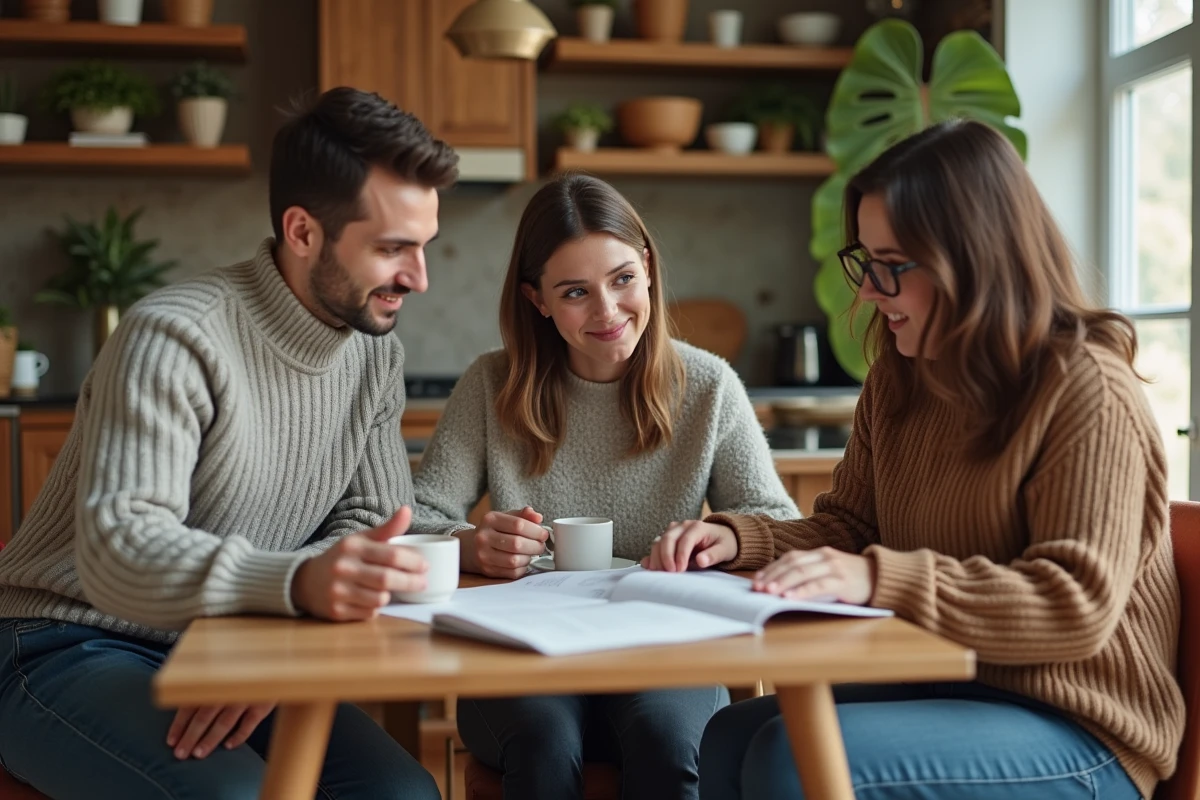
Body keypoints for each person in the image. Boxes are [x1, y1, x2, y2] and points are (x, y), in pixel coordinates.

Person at [646, 119, 1185, 799]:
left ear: (976, 258)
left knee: (786, 758)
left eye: (892, 267)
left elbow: (1073, 604)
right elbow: (851, 528)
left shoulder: (1085, 388)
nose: (868, 291)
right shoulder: (902, 376)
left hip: (1082, 732)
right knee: (727, 736)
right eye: (864, 262)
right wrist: (736, 538)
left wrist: (878, 580)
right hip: (953, 685)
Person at [0, 87, 458, 799]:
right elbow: (119, 546)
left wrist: (274, 638)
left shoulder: (373, 358)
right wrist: (294, 588)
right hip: (66, 642)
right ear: (303, 231)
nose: (419, 278)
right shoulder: (178, 335)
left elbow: (371, 522)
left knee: (404, 793)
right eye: (394, 249)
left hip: (236, 637)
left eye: (423, 247)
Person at [410, 173, 799, 800]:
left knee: (671, 743)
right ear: (537, 299)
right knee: (543, 744)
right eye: (574, 292)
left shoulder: (708, 386)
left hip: (662, 648)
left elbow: (776, 523)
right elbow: (422, 517)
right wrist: (470, 543)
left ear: (646, 268)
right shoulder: (491, 384)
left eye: (622, 279)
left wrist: (724, 534)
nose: (608, 311)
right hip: (524, 655)